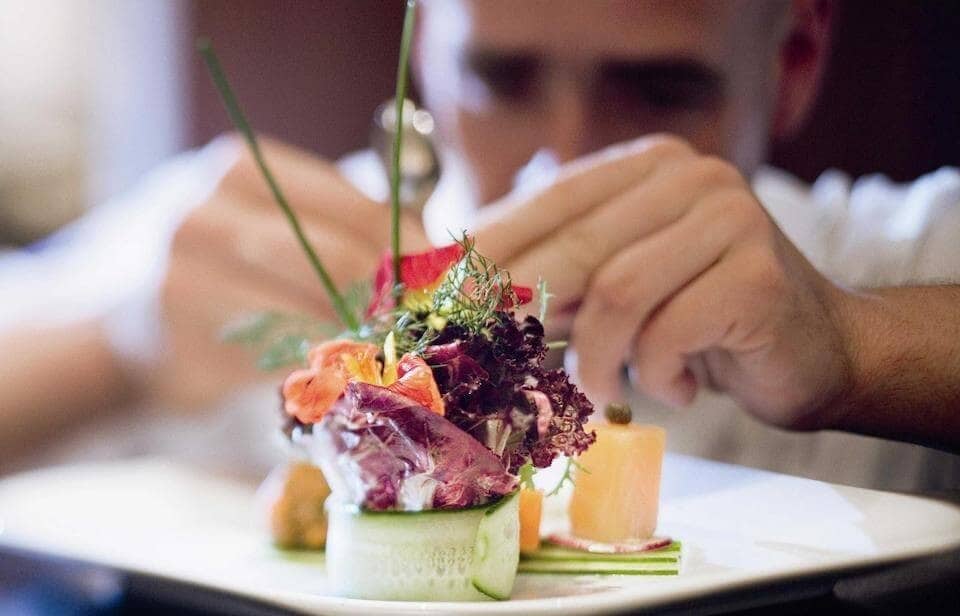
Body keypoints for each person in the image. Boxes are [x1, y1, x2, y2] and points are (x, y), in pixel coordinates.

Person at [1, 1, 958, 488]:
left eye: (661, 90)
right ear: (429, 44)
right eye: (501, 77)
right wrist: (115, 352)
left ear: (792, 61)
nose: (564, 162)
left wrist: (856, 348)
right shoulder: (257, 245)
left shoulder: (883, 263)